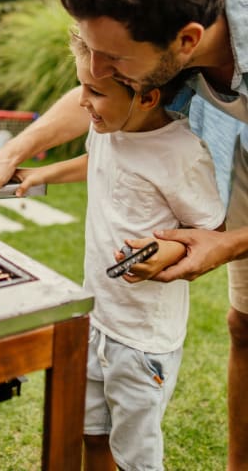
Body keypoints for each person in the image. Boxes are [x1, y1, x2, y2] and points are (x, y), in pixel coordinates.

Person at [0, 0, 248, 469]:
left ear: (186, 42)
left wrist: (228, 242)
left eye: (114, 59)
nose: (96, 73)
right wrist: (15, 150)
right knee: (245, 327)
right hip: (224, 125)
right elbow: (100, 92)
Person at [14, 34, 225, 470]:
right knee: (92, 435)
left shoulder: (182, 153)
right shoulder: (108, 129)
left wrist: (166, 252)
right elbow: (98, 162)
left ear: (146, 96)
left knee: (135, 458)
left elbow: (210, 229)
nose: (83, 103)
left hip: (142, 339)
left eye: (94, 92)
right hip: (97, 318)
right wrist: (43, 172)